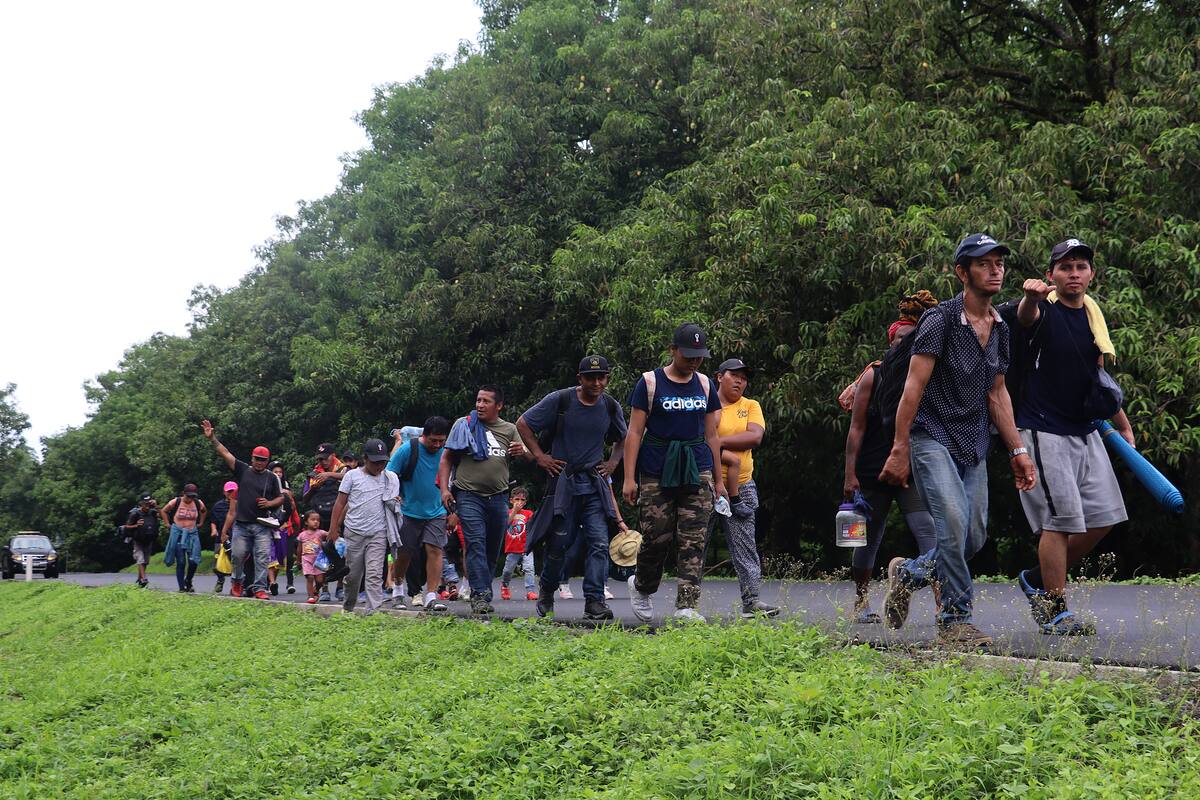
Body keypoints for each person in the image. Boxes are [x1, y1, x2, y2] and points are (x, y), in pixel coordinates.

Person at [879, 234, 1037, 649]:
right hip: (930, 435)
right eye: (984, 264)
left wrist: (1017, 450)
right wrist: (900, 447)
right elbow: (913, 387)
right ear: (962, 273)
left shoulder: (1000, 327)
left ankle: (908, 574)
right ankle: (955, 620)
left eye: (998, 263)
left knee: (974, 536)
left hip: (974, 441)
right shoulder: (941, 320)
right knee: (952, 524)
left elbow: (997, 393)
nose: (995, 270)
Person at [1010, 238, 1134, 635]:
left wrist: (1122, 423)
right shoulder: (1042, 309)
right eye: (1065, 267)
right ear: (1052, 275)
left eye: (1081, 267)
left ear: (1091, 274)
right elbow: (1025, 318)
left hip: (1085, 428)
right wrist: (1030, 298)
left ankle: (1037, 578)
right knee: (1059, 522)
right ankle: (1055, 608)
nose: (1074, 274)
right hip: (1043, 428)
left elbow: (1095, 376)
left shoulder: (1093, 315)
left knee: (1105, 517)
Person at [842, 294, 940, 623]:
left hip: (911, 469)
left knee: (929, 534)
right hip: (872, 470)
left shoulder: (926, 374)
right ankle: (861, 601)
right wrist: (849, 475)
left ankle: (943, 605)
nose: (904, 344)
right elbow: (856, 428)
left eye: (911, 339)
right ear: (891, 342)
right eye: (900, 339)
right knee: (867, 538)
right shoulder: (874, 375)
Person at [623, 324, 728, 623]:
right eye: (688, 355)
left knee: (693, 538)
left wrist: (719, 480)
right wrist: (629, 478)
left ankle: (687, 606)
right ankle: (642, 585)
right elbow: (634, 433)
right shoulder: (650, 382)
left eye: (699, 356)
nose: (694, 361)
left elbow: (712, 435)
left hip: (698, 468)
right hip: (657, 469)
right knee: (656, 536)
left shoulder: (705, 384)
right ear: (673, 350)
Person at [518, 355, 628, 621]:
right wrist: (540, 457)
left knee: (599, 543)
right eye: (590, 378)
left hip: (593, 484)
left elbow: (624, 437)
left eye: (601, 378)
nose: (596, 383)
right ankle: (547, 591)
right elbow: (523, 423)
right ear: (580, 378)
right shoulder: (561, 400)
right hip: (563, 483)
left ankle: (595, 601)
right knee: (558, 545)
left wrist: (613, 463)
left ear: (607, 379)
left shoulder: (610, 405)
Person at [439, 385, 527, 615]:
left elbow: (525, 454)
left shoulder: (509, 429)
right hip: (468, 496)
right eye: (478, 400)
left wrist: (521, 451)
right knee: (475, 543)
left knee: (492, 549)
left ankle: (483, 593)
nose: (480, 405)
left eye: (486, 401)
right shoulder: (464, 424)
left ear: (499, 405)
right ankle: (480, 595)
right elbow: (446, 459)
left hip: (499, 497)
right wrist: (444, 491)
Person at [709, 357, 779, 618]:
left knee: (745, 546)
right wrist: (714, 442)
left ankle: (752, 601)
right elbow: (698, 438)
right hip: (706, 484)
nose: (740, 381)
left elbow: (755, 436)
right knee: (694, 545)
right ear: (719, 377)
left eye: (744, 378)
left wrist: (717, 442)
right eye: (734, 375)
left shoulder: (750, 405)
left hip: (741, 484)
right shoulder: (708, 404)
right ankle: (687, 604)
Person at [201, 419, 284, 599]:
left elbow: (281, 497)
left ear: (267, 461)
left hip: (262, 525)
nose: (259, 462)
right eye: (257, 459)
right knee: (238, 555)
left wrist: (269, 504)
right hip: (241, 524)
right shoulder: (243, 470)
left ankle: (260, 588)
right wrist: (212, 438)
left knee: (262, 557)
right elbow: (225, 453)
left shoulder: (272, 478)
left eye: (263, 460)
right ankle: (237, 581)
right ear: (252, 458)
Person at [386, 416, 452, 613]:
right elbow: (389, 475)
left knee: (435, 550)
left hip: (437, 510)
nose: (437, 445)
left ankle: (431, 596)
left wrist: (453, 511)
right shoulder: (408, 449)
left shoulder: (447, 453)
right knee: (405, 553)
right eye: (433, 440)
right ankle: (398, 589)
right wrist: (395, 496)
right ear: (424, 435)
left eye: (441, 441)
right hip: (408, 511)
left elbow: (454, 480)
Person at [329, 438, 398, 613]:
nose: (379, 466)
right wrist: (333, 528)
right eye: (375, 462)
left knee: (374, 574)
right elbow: (340, 503)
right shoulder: (352, 476)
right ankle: (348, 607)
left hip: (378, 532)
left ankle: (373, 612)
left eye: (382, 462)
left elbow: (392, 502)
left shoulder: (389, 478)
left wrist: (397, 502)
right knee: (352, 576)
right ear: (365, 458)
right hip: (354, 532)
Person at [303, 444, 346, 602]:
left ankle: (340, 587)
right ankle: (324, 588)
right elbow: (304, 498)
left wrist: (329, 475)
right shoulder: (314, 473)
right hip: (319, 518)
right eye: (320, 459)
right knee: (321, 553)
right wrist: (314, 488)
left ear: (333, 455)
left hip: (339, 517)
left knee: (341, 551)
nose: (322, 462)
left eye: (325, 458)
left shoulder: (342, 469)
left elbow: (349, 478)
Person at [161, 483, 207, 593]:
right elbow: (164, 511)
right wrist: (167, 523)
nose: (190, 499)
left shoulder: (198, 503)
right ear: (183, 493)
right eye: (188, 496)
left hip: (192, 533)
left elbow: (204, 511)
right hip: (179, 533)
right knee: (181, 561)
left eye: (192, 496)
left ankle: (188, 580)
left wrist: (201, 523)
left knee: (193, 560)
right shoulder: (176, 501)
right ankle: (181, 587)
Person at [268, 462, 301, 595]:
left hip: (288, 527)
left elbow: (292, 509)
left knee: (288, 557)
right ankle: (270, 583)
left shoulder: (286, 487)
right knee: (273, 556)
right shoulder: (267, 487)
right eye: (275, 472)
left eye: (280, 472)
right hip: (272, 526)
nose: (278, 474)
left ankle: (290, 583)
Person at [499, 487, 536, 601]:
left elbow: (532, 528)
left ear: (525, 502)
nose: (519, 502)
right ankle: (505, 586)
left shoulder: (528, 513)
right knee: (508, 570)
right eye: (517, 499)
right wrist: (514, 511)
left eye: (522, 500)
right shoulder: (507, 512)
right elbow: (505, 524)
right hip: (512, 547)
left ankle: (530, 591)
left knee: (529, 568)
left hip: (526, 547)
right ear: (511, 500)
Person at [122, 494, 159, 587]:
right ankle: (144, 578)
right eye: (145, 503)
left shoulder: (153, 512)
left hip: (149, 540)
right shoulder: (135, 514)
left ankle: (140, 579)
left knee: (145, 561)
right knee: (140, 559)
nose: (147, 505)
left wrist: (157, 506)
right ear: (141, 503)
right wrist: (136, 525)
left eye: (148, 503)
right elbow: (126, 526)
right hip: (138, 540)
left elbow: (163, 516)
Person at [209, 481, 237, 592]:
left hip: (236, 537)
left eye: (233, 491)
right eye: (229, 491)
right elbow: (213, 521)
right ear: (224, 492)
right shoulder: (218, 506)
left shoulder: (241, 505)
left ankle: (235, 585)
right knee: (217, 564)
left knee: (236, 563)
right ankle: (220, 580)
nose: (231, 494)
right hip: (221, 537)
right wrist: (214, 529)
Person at [297, 510, 328, 604]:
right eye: (313, 519)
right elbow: (299, 549)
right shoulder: (302, 535)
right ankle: (310, 596)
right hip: (307, 559)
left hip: (319, 560)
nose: (316, 522)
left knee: (320, 580)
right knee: (310, 577)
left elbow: (330, 534)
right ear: (306, 522)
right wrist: (298, 560)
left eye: (318, 520)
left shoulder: (321, 533)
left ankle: (316, 591)